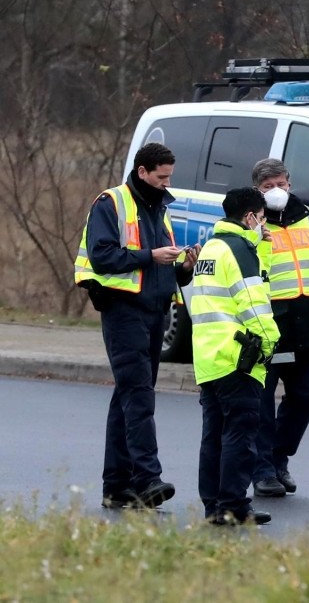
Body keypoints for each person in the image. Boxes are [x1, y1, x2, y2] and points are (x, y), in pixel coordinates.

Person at [74, 142, 199, 510]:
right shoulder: (110, 203)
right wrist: (150, 256)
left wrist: (184, 269)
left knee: (128, 397)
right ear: (142, 172)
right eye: (161, 177)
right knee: (139, 396)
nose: (166, 183)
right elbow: (102, 256)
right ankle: (148, 479)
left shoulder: (160, 208)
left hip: (155, 311)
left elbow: (163, 266)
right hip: (123, 311)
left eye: (169, 177)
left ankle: (116, 487)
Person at [191, 187, 281, 525]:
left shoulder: (213, 248)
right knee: (240, 438)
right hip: (238, 356)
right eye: (262, 217)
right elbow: (254, 302)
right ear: (250, 217)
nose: (264, 224)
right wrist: (271, 342)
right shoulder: (240, 249)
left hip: (209, 357)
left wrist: (265, 249)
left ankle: (214, 506)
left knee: (213, 437)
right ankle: (233, 506)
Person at [249, 158, 309, 497]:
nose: (276, 191)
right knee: (261, 401)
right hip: (268, 324)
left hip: (308, 321)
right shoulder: (251, 222)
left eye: (281, 184)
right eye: (268, 186)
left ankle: (278, 457)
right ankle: (262, 470)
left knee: (307, 395)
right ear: (257, 189)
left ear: (290, 182)